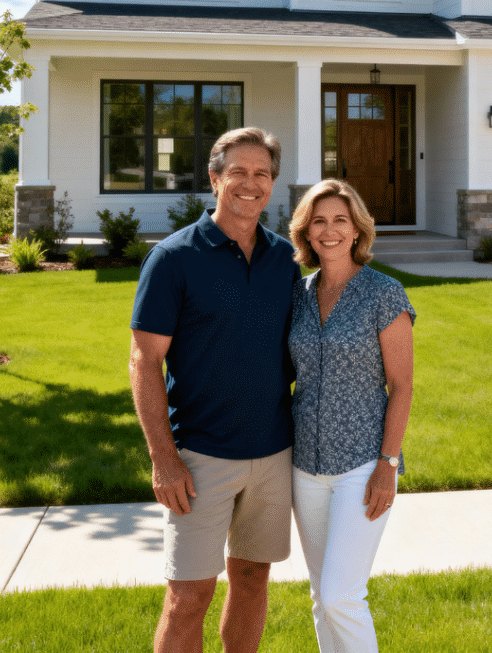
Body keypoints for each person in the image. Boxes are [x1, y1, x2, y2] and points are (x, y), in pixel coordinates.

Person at [129, 127, 299, 653]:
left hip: (274, 454)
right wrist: (163, 458)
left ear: (272, 183)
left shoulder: (285, 261)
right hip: (199, 459)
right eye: (239, 172)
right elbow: (144, 361)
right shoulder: (174, 258)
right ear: (215, 178)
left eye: (263, 174)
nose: (251, 184)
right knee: (188, 597)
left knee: (251, 579)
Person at [287, 179, 415, 653]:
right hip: (305, 465)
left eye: (340, 219)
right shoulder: (298, 294)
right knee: (322, 598)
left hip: (362, 464)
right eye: (318, 221)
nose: (329, 230)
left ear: (358, 230)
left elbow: (401, 386)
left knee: (343, 595)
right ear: (306, 231)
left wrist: (388, 465)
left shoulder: (384, 293)